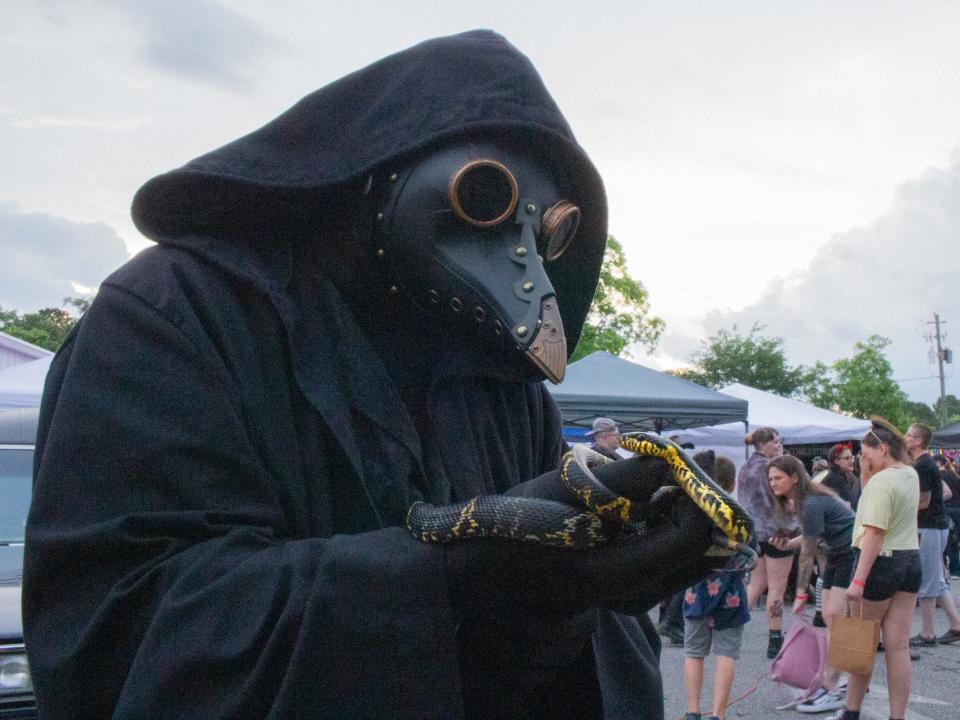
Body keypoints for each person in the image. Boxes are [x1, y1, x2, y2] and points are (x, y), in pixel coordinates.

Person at [22, 31, 726, 720]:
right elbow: (121, 635)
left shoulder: (496, 376)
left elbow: (559, 623)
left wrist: (600, 584)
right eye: (486, 198)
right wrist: (451, 585)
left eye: (547, 233)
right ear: (377, 173)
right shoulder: (175, 316)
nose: (516, 255)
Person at [834, 417, 921, 720]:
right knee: (898, 647)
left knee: (862, 644)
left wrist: (857, 581)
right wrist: (867, 474)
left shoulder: (882, 481)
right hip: (910, 559)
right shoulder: (909, 473)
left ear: (882, 449)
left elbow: (874, 531)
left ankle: (851, 711)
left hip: (879, 562)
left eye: (866, 453)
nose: (862, 459)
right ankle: (897, 716)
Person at [767, 455, 855, 715]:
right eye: (771, 478)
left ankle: (835, 687)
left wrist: (801, 593)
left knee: (838, 619)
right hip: (838, 554)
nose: (773, 483)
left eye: (778, 478)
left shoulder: (812, 502)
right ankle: (840, 682)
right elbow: (809, 539)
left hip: (849, 553)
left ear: (794, 477)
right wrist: (788, 542)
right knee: (833, 617)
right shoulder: (806, 500)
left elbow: (808, 552)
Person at [682, 455, 747, 720]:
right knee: (726, 653)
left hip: (696, 589)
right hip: (730, 590)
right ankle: (718, 714)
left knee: (694, 652)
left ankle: (693, 710)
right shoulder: (738, 515)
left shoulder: (693, 514)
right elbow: (750, 552)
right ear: (732, 485)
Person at [738, 427, 796, 658]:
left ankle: (733, 627)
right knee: (777, 588)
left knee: (756, 583)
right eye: (775, 442)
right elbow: (779, 501)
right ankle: (774, 639)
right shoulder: (770, 469)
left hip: (754, 533)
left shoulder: (744, 468)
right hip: (777, 531)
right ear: (764, 445)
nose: (778, 445)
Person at [904, 423, 960, 646]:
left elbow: (924, 500)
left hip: (929, 526)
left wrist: (901, 509)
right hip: (935, 526)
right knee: (936, 579)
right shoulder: (924, 464)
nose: (905, 437)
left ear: (918, 441)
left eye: (909, 435)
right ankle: (956, 624)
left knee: (927, 580)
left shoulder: (923, 465)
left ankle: (927, 632)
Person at [935, 454, 960, 577]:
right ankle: (955, 570)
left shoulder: (937, 475)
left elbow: (946, 493)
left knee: (944, 541)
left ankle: (943, 569)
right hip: (957, 509)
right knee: (954, 540)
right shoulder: (954, 474)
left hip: (946, 509)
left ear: (938, 463)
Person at [821, 443, 860, 509]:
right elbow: (847, 505)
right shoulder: (835, 479)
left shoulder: (846, 476)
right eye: (847, 458)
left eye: (851, 457)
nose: (851, 461)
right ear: (836, 461)